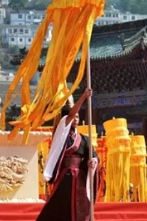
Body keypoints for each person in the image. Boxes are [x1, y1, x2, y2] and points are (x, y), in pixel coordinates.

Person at [35, 88, 97, 221]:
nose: (75, 119)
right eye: (73, 116)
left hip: (79, 177)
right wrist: (83, 97)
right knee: (60, 205)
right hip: (66, 176)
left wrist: (92, 162)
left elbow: (92, 155)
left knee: (81, 207)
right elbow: (69, 116)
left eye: (78, 116)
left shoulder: (84, 138)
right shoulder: (62, 132)